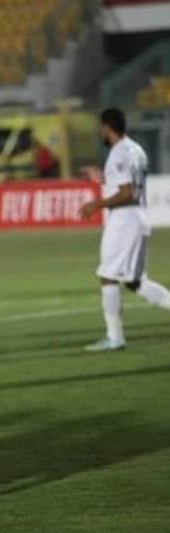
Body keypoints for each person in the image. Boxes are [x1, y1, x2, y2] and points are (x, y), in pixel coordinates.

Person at [79, 108, 170, 351]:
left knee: (108, 275)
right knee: (135, 282)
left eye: (100, 127)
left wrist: (96, 204)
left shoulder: (118, 153)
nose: (99, 131)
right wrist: (102, 178)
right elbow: (127, 184)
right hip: (136, 218)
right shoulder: (136, 149)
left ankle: (115, 338)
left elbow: (127, 193)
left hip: (124, 221)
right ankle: (114, 337)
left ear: (107, 127)